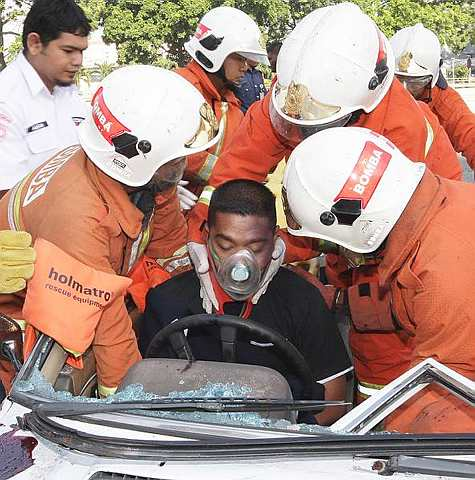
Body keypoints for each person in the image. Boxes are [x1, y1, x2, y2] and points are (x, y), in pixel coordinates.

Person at [185, 2, 462, 401]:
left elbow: (356, 233)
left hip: (406, 247)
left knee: (385, 338)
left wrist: (280, 243)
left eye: (314, 127)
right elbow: (236, 172)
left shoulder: (399, 134)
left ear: (359, 109)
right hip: (357, 234)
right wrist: (204, 229)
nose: (299, 135)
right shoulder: (296, 100)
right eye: (294, 125)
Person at [0, 65, 220, 397]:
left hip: (78, 289)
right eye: (174, 161)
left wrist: (188, 285)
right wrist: (128, 400)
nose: (182, 167)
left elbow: (167, 239)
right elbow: (107, 323)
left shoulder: (138, 176)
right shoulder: (77, 215)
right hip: (21, 319)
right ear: (138, 157)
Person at [282, 126, 475, 433]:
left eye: (334, 243)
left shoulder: (441, 277)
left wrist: (380, 445)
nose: (338, 252)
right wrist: (340, 300)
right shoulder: (443, 205)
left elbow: (445, 405)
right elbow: (405, 304)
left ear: (357, 227)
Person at [141, 179, 352, 425]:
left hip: (270, 446)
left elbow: (333, 402)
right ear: (207, 236)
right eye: (226, 245)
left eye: (255, 247)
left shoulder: (302, 299)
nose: (240, 261)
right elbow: (146, 391)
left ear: (274, 241)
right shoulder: (168, 300)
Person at [175, 6, 269, 210]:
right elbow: (180, 154)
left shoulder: (228, 102)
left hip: (206, 213)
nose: (246, 67)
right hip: (169, 214)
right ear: (214, 52)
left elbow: (244, 149)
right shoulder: (180, 90)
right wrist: (236, 172)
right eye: (240, 58)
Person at [0, 0, 91, 195]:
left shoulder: (68, 92)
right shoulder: (6, 100)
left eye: (81, 51)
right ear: (35, 44)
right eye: (68, 51)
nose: (78, 61)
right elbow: (6, 196)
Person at [391, 23, 475, 168]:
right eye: (398, 80)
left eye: (416, 83)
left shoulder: (445, 101)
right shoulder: (374, 95)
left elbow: (470, 133)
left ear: (432, 79)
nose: (405, 89)